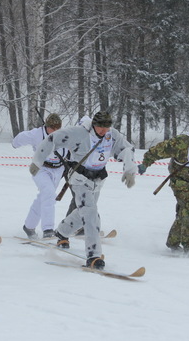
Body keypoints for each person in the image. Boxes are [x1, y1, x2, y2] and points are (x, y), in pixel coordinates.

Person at [31, 111, 137, 269]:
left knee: (84, 213)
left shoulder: (112, 135)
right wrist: (37, 161)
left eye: (106, 127)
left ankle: (62, 231)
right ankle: (93, 256)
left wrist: (129, 170)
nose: (103, 130)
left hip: (98, 180)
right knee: (90, 213)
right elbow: (53, 139)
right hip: (79, 179)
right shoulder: (78, 133)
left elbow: (127, 149)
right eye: (100, 127)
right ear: (94, 124)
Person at [138, 118, 189, 256]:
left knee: (185, 212)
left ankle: (173, 242)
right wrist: (145, 163)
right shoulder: (182, 142)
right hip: (181, 182)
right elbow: (159, 150)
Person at [13, 113, 67, 239]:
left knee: (44, 197)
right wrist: (15, 144)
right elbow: (20, 138)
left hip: (58, 170)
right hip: (40, 168)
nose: (55, 131)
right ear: (46, 126)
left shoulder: (65, 134)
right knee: (48, 193)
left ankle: (29, 226)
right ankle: (48, 230)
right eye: (52, 128)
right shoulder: (36, 134)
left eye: (57, 128)